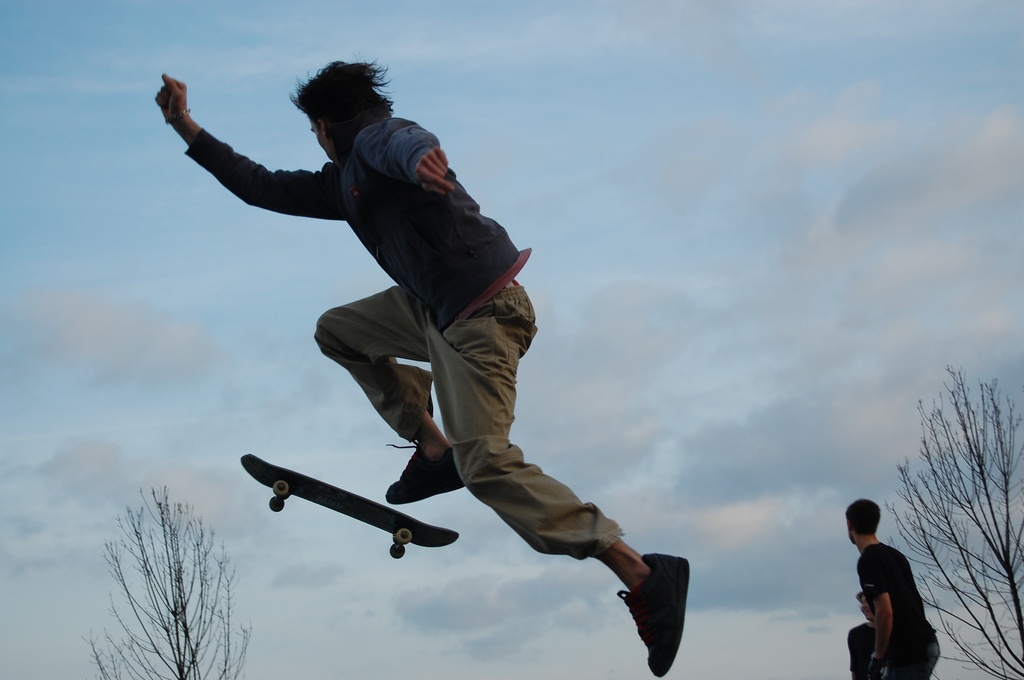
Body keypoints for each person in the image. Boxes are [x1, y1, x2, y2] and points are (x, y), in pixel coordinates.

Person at [155, 61, 689, 677]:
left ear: (324, 126)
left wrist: (421, 161)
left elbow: (403, 141)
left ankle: (641, 571)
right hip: (433, 308)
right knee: (339, 331)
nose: (316, 142)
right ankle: (433, 449)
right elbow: (261, 186)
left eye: (314, 131)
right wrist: (187, 128)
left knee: (486, 464)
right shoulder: (341, 183)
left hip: (484, 315)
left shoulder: (376, 139)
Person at [846, 499, 939, 680]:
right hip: (925, 642)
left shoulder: (868, 560)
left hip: (907, 651)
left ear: (849, 525)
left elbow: (885, 612)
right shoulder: (895, 555)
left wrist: (878, 657)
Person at [848, 591, 876, 680]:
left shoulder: (896, 632)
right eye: (862, 603)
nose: (863, 606)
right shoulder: (855, 634)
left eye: (868, 602)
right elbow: (855, 667)